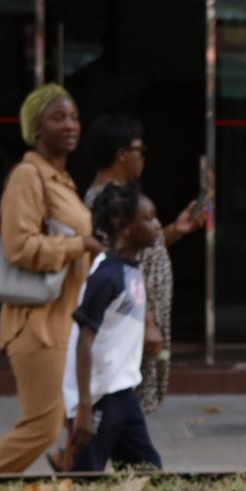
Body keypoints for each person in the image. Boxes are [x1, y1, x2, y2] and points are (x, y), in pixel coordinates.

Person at [0, 85, 104, 475]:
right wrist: (79, 244)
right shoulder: (28, 177)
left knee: (73, 420)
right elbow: (19, 247)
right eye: (57, 118)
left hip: (65, 319)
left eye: (74, 117)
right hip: (37, 323)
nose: (70, 125)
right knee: (42, 426)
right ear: (36, 128)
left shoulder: (61, 179)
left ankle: (73, 490)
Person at [81, 116, 202, 415]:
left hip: (139, 316)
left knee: (131, 407)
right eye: (140, 150)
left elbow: (137, 249)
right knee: (126, 401)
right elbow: (113, 264)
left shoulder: (126, 197)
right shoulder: (104, 202)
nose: (143, 157)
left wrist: (174, 231)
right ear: (122, 154)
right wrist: (148, 322)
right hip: (129, 320)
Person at [64, 184, 164, 473]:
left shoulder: (131, 267)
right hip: (98, 398)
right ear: (126, 226)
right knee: (86, 477)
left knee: (149, 472)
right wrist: (84, 407)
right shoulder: (106, 276)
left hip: (123, 392)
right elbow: (84, 340)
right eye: (149, 218)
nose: (157, 225)